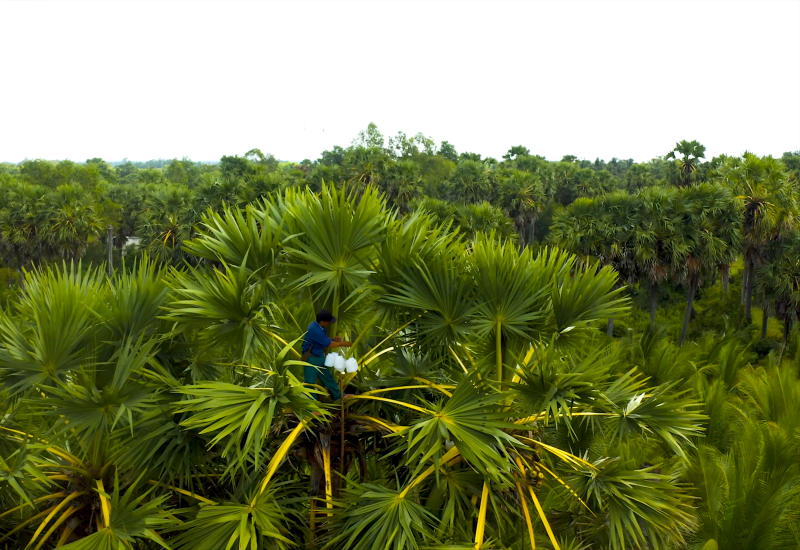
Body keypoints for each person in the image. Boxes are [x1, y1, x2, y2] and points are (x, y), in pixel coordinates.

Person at [302, 309, 352, 400]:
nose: (329, 323)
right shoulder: (314, 329)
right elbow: (329, 344)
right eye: (328, 321)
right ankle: (311, 408)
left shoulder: (319, 327)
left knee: (328, 378)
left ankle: (340, 396)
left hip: (320, 357)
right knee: (309, 383)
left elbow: (323, 339)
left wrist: (333, 339)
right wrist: (342, 344)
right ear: (322, 321)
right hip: (312, 358)